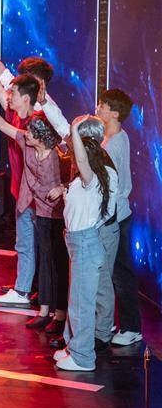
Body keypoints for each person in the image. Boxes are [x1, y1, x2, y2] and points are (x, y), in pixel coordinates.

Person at [0, 23, 58, 308]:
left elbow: (2, 93)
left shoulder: (41, 116)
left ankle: (33, 293)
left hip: (36, 192)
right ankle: (28, 288)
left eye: (20, 84)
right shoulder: (21, 107)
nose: (12, 88)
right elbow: (1, 84)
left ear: (36, 86)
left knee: (37, 243)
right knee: (27, 241)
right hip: (23, 186)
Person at [0, 93, 68, 335]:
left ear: (41, 137)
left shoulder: (58, 158)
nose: (25, 134)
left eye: (30, 132)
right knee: (44, 263)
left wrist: (62, 188)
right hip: (33, 206)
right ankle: (44, 311)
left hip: (54, 214)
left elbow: (73, 180)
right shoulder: (27, 144)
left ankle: (59, 314)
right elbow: (2, 125)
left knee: (55, 263)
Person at [50, 116, 119, 372]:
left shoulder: (95, 177)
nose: (75, 161)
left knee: (82, 304)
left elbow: (81, 162)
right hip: (80, 244)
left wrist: (74, 130)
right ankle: (73, 347)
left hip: (86, 243)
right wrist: (63, 190)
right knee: (77, 300)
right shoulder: (86, 179)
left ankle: (83, 357)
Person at [96, 89, 141, 346]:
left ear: (114, 113)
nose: (98, 108)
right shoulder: (114, 137)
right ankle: (111, 322)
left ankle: (131, 327)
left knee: (120, 273)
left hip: (116, 216)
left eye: (103, 105)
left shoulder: (113, 144)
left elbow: (113, 187)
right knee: (113, 272)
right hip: (116, 214)